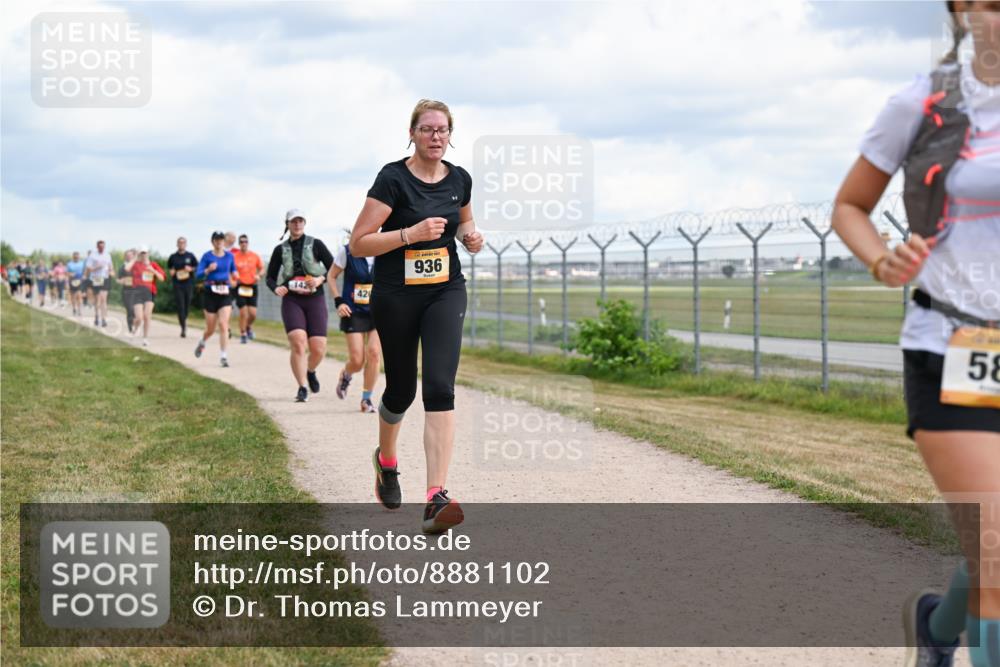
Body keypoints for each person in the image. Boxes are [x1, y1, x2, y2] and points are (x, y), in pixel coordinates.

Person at [832, 4, 999, 666]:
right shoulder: (925, 102)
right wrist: (880, 258)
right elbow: (850, 205)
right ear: (960, 11)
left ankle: (939, 622)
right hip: (952, 343)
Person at [349, 99, 484, 534]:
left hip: (445, 290)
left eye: (443, 130)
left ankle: (436, 497)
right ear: (412, 133)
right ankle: (387, 463)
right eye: (427, 129)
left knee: (441, 385)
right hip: (397, 296)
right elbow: (359, 244)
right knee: (402, 390)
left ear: (450, 135)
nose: (436, 136)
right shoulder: (393, 179)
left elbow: (462, 224)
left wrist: (471, 237)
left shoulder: (459, 179)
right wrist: (409, 234)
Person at [265, 210, 334, 403]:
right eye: (293, 222)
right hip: (292, 299)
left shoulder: (316, 244)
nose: (297, 225)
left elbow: (333, 268)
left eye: (300, 221)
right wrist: (276, 288)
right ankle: (302, 386)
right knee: (298, 342)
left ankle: (310, 370)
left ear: (305, 223)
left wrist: (320, 279)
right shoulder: (280, 249)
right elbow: (270, 277)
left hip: (315, 299)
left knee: (318, 348)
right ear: (287, 224)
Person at [330, 240, 382, 413]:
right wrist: (339, 302)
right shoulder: (347, 251)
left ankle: (366, 399)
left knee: (374, 353)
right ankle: (346, 374)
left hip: (377, 310)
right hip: (353, 311)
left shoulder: (383, 250)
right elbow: (331, 276)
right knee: (357, 360)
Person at [194, 231, 239, 367]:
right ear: (212, 241)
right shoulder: (207, 256)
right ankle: (202, 341)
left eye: (221, 240)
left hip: (225, 292)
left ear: (224, 241)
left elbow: (234, 270)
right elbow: (198, 275)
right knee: (211, 329)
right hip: (210, 293)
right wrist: (208, 270)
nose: (219, 242)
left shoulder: (229, 256)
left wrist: (236, 276)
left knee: (224, 325)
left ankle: (223, 356)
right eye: (217, 240)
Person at [127, 246, 166, 347]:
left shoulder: (154, 265)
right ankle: (134, 331)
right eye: (142, 253)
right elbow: (127, 268)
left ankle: (145, 338)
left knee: (147, 316)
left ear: (148, 254)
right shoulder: (136, 264)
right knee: (139, 317)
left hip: (150, 292)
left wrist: (153, 270)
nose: (143, 255)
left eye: (145, 253)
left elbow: (162, 278)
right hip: (137, 292)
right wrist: (135, 258)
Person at [231, 234, 265, 344]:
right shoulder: (234, 257)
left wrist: (259, 275)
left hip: (252, 286)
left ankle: (248, 326)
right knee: (243, 313)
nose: (243, 243)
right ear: (239, 244)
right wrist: (233, 280)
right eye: (241, 242)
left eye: (245, 241)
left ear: (248, 243)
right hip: (240, 286)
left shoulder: (254, 256)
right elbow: (229, 270)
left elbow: (262, 268)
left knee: (253, 314)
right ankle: (243, 334)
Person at [167, 237, 198, 337]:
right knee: (180, 306)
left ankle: (183, 320)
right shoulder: (173, 257)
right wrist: (171, 272)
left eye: (183, 243)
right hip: (178, 284)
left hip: (188, 283)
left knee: (187, 305)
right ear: (177, 244)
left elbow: (197, 267)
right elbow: (170, 268)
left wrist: (191, 269)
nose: (181, 244)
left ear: (186, 244)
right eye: (180, 243)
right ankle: (183, 328)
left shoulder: (190, 255)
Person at [84, 240, 114, 327]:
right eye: (100, 247)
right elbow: (89, 269)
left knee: (104, 299)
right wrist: (97, 267)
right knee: (98, 299)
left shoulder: (107, 255)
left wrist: (111, 271)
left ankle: (104, 319)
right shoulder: (92, 255)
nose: (102, 248)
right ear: (97, 247)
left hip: (105, 278)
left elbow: (110, 266)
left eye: (103, 247)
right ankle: (96, 316)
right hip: (96, 278)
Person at [118, 249, 137, 333]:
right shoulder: (122, 267)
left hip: (136, 290)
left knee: (135, 309)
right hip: (126, 291)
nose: (129, 257)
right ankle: (130, 326)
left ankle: (135, 323)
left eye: (130, 255)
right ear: (125, 257)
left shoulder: (136, 266)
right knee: (129, 309)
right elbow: (118, 280)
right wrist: (122, 281)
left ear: (133, 256)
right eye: (127, 255)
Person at [66, 251, 86, 316]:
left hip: (80, 280)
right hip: (72, 281)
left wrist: (84, 275)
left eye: (77, 257)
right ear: (73, 257)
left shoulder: (82, 263)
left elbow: (85, 271)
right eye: (75, 257)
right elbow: (67, 273)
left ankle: (79, 310)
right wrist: (70, 274)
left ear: (79, 257)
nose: (76, 258)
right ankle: (74, 308)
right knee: (73, 296)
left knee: (79, 295)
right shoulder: (69, 264)